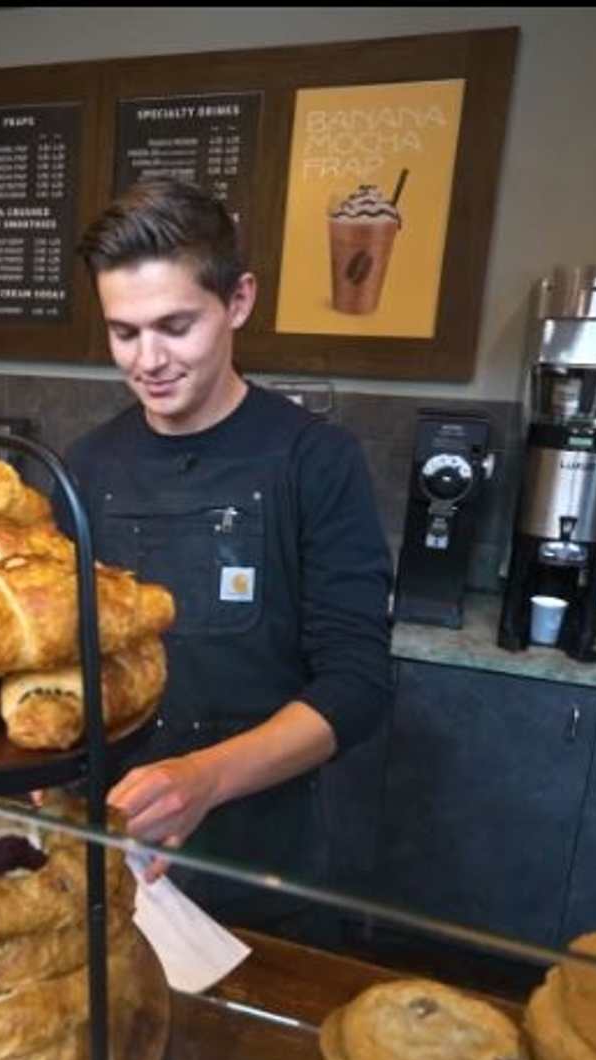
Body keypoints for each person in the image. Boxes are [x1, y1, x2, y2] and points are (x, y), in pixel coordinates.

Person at [65, 178, 395, 943]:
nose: (148, 359)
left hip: (264, 870)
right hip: (109, 860)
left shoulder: (314, 460)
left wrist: (205, 777)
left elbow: (357, 683)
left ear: (238, 301)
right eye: (123, 332)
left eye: (175, 326)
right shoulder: (85, 467)